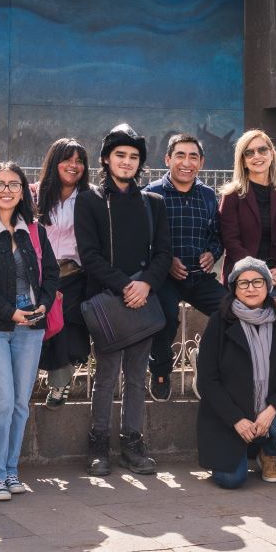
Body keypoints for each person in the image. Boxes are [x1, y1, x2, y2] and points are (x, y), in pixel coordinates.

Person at [76, 123, 172, 476]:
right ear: (105, 158)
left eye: (133, 157)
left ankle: (133, 442)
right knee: (105, 375)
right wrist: (124, 286)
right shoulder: (89, 200)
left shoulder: (153, 203)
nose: (127, 162)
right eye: (120, 155)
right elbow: (89, 255)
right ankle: (98, 442)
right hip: (106, 301)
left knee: (135, 377)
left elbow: (163, 253)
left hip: (143, 301)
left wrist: (144, 285)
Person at [0, 162, 59, 500]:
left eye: (14, 184)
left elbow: (51, 274)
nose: (7, 190)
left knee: (20, 402)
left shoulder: (34, 229)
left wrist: (44, 304)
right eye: (0, 184)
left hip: (31, 326)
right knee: (1, 402)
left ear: (23, 191)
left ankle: (11, 470)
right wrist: (10, 312)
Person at [196, 257, 276, 488]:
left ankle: (268, 453)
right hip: (229, 417)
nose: (250, 288)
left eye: (257, 282)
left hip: (267, 413)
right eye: (243, 283)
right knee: (231, 480)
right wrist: (236, 419)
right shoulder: (220, 322)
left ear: (268, 286)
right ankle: (240, 448)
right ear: (234, 289)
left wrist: (271, 410)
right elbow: (209, 379)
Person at [145, 134, 227, 400]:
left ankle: (205, 361)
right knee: (166, 316)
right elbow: (141, 241)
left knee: (231, 310)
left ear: (201, 162)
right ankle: (160, 371)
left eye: (193, 156)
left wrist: (211, 254)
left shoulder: (207, 195)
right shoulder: (151, 194)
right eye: (180, 155)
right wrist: (166, 261)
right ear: (168, 159)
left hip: (198, 276)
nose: (186, 162)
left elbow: (217, 236)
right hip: (164, 277)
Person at [217, 129, 276, 313]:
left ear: (271, 153)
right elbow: (231, 242)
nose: (256, 156)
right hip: (244, 273)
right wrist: (259, 272)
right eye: (249, 152)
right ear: (242, 160)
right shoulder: (232, 195)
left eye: (262, 150)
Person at [35, 139, 92, 409]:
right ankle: (26, 379)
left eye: (79, 161)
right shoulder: (35, 194)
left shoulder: (89, 197)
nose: (73, 166)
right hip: (38, 274)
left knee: (64, 329)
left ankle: (60, 383)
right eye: (67, 159)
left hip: (74, 274)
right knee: (35, 327)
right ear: (54, 162)